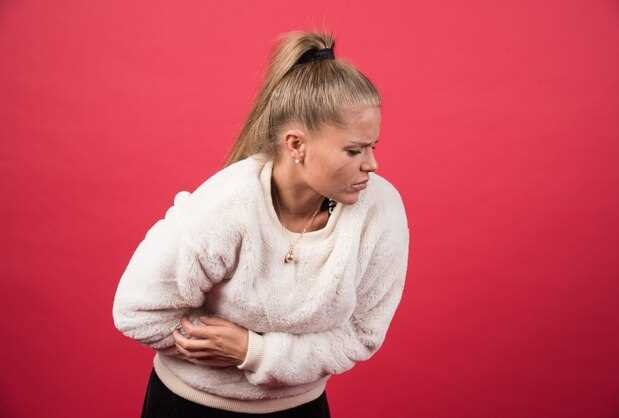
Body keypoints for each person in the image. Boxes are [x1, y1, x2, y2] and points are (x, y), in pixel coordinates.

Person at [112, 30, 410, 417]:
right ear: (296, 145)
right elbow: (137, 312)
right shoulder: (225, 203)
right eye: (354, 150)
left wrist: (252, 351)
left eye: (373, 146)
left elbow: (362, 334)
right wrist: (212, 347)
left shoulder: (380, 210)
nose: (372, 164)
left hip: (301, 410)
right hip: (188, 407)